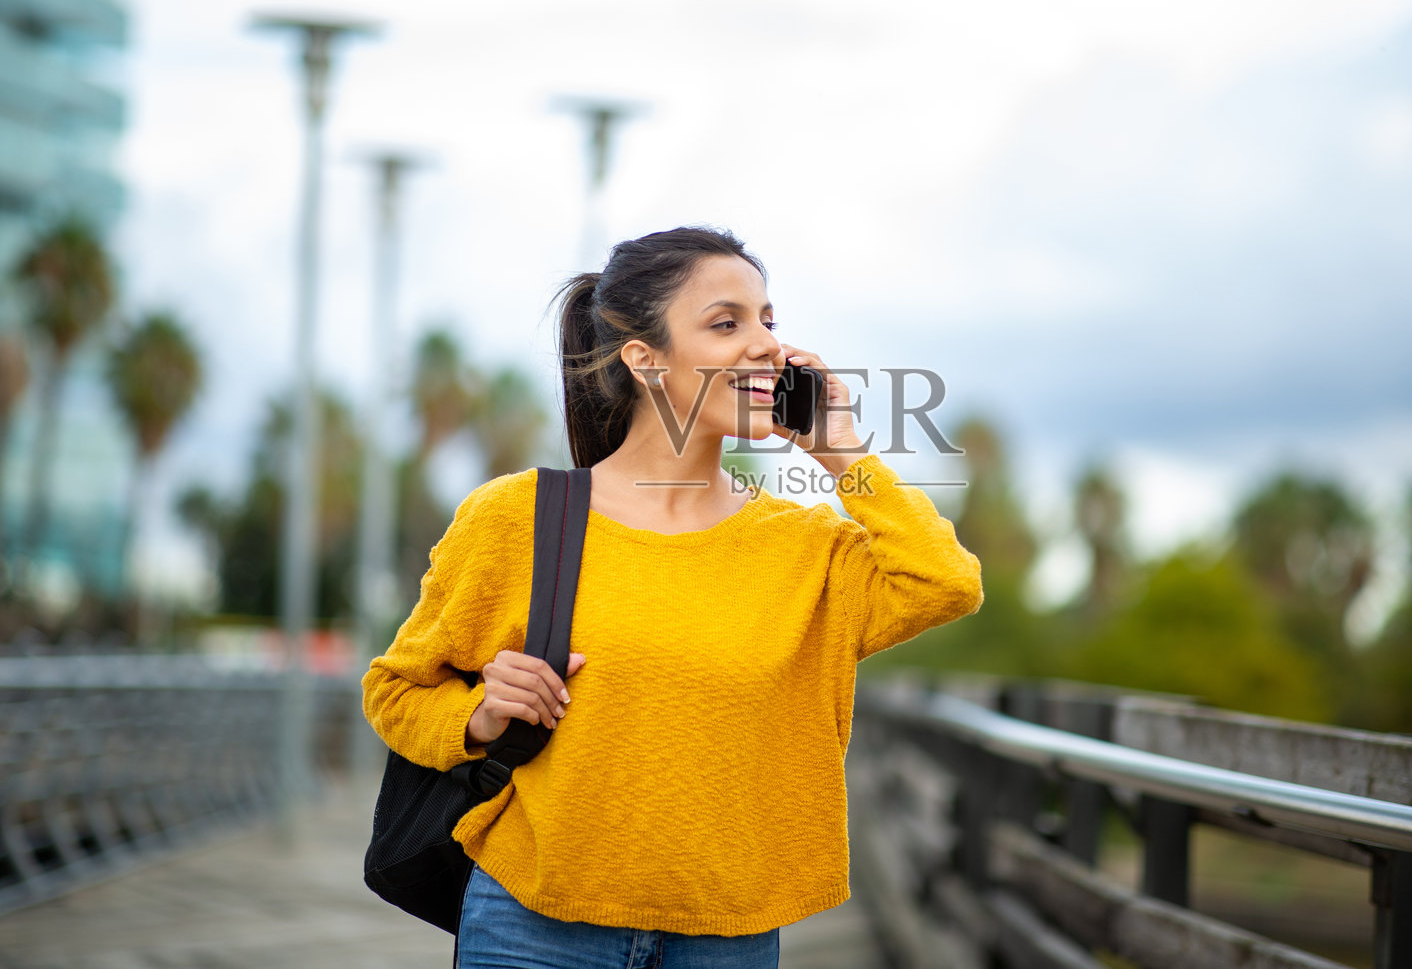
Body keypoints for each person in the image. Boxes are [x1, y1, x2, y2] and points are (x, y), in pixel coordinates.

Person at [362, 226, 984, 968]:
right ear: (645, 358)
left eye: (769, 321)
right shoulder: (517, 518)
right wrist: (481, 715)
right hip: (533, 922)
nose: (766, 346)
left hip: (730, 937)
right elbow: (394, 691)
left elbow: (944, 581)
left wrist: (838, 449)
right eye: (727, 323)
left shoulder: (804, 547)